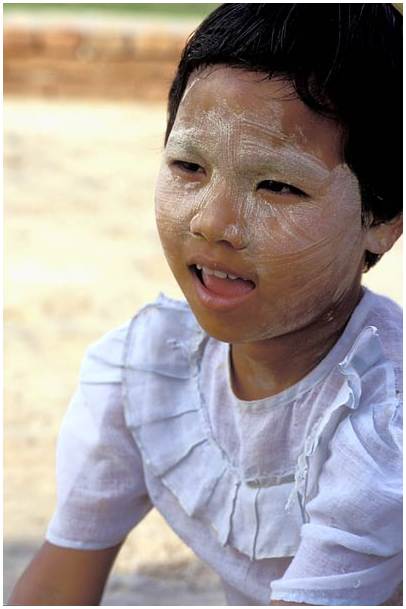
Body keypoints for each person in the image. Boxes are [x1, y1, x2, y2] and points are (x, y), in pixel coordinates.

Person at [9, 3, 402, 606]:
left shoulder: (383, 428)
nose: (213, 222)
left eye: (278, 186)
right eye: (189, 166)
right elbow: (59, 584)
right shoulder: (148, 369)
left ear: (382, 221)